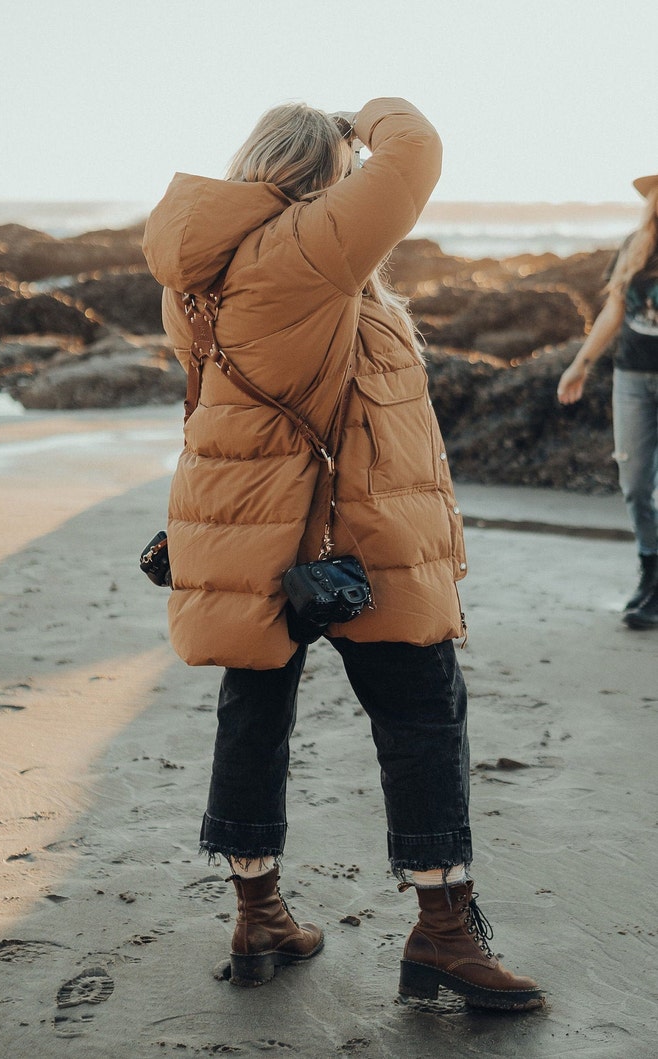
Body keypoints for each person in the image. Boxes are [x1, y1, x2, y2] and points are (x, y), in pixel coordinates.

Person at [143, 97, 544, 1011]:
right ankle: (444, 932)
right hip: (348, 534)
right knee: (422, 715)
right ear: (325, 175)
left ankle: (259, 916)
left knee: (254, 711)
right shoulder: (306, 251)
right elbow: (417, 154)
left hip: (240, 526)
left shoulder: (197, 273)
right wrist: (369, 115)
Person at [558, 174, 658, 629]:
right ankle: (650, 574)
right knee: (635, 484)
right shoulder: (636, 245)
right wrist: (581, 362)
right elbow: (615, 309)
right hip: (632, 378)